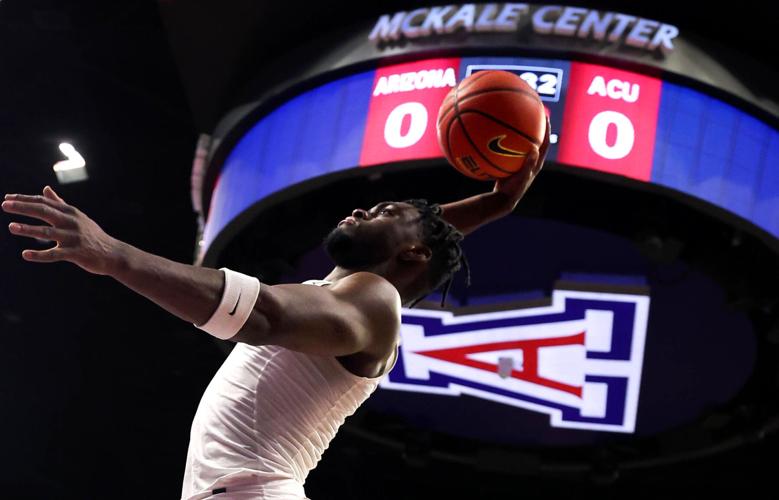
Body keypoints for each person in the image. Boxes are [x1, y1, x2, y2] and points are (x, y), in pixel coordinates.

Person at [2, 120, 549, 499]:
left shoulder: (374, 301)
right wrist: (496, 203)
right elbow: (424, 237)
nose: (361, 207)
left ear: (412, 254)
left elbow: (264, 317)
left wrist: (116, 256)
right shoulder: (359, 296)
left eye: (383, 211)